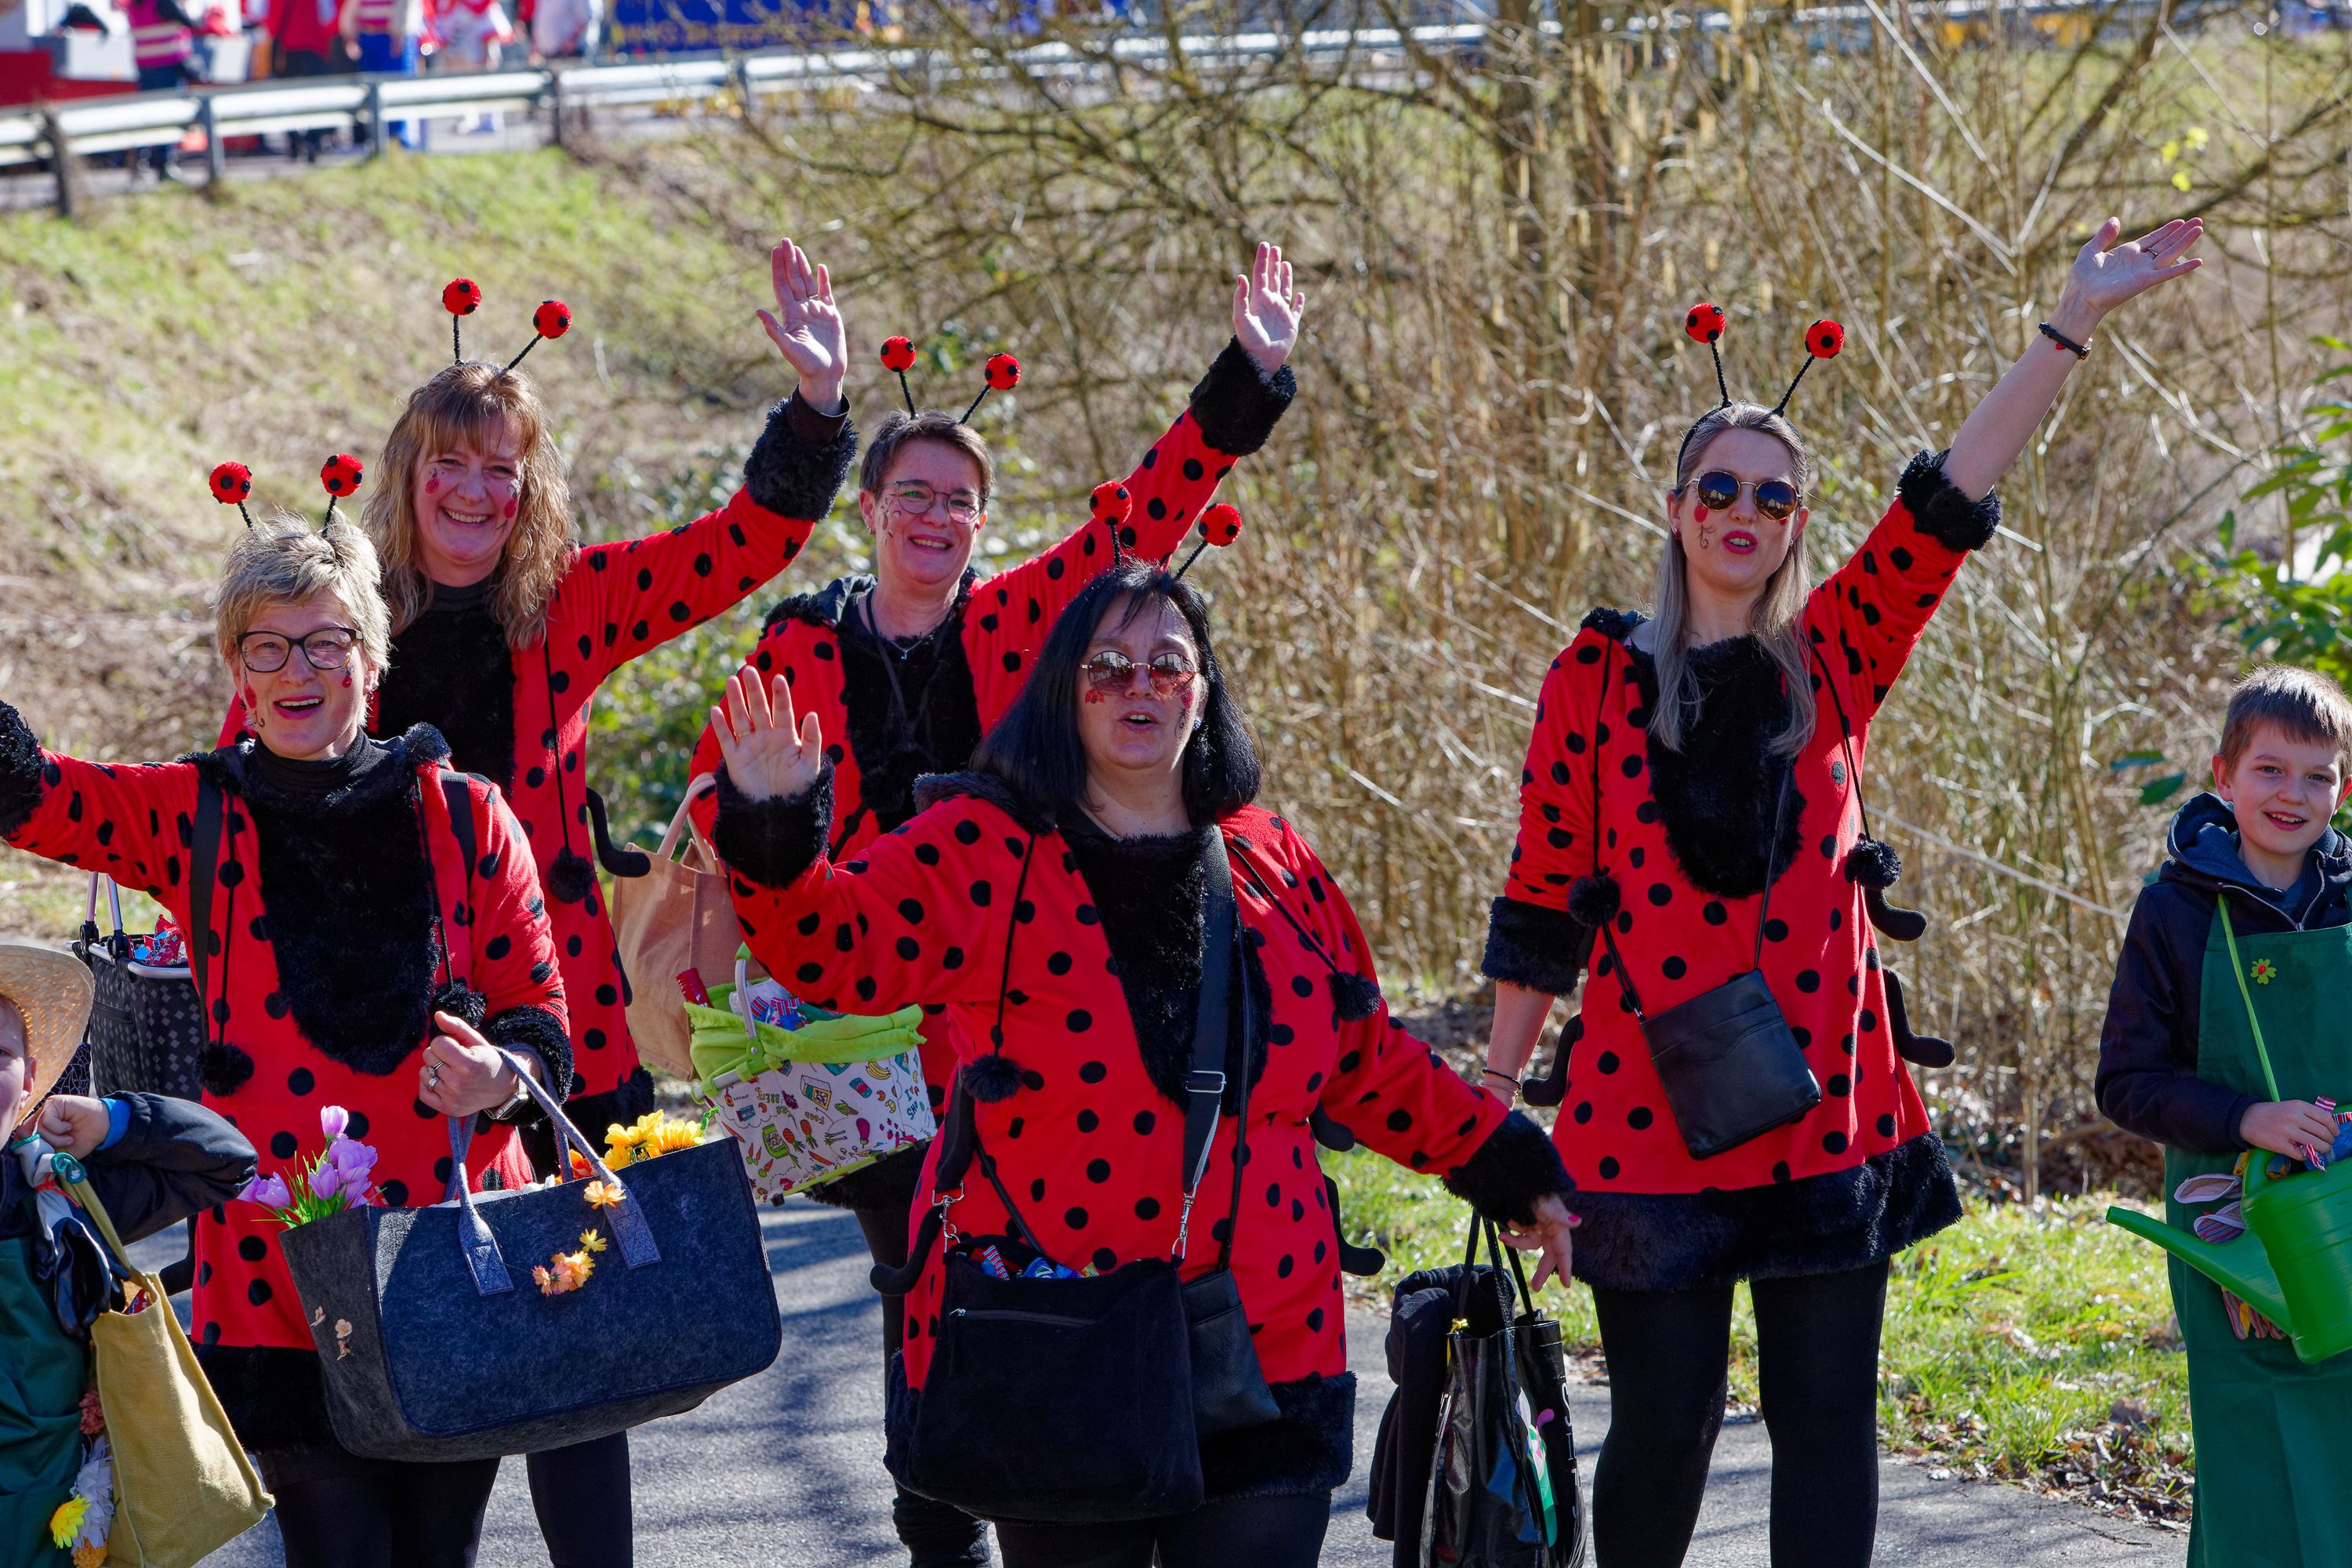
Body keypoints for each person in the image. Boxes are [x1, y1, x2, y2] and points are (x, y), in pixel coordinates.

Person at [1475, 214, 2205, 1568]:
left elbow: (1951, 496)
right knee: (1660, 1441)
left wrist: (2074, 320)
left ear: (1798, 523)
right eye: (1719, 489)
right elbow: (1540, 902)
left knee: (1827, 1432)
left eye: (1773, 496)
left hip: (1829, 1111)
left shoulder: (1838, 654)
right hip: (1642, 1118)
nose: (1744, 515)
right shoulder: (1592, 678)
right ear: (1676, 508)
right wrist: (1492, 1128)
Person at [706, 562, 1581, 1568]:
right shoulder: (981, 844)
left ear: (1203, 690)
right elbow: (834, 946)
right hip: (1058, 1332)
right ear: (1062, 691)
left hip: (1267, 1338)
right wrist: (774, 834)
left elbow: (1365, 1057)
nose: (1140, 686)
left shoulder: (1274, 862)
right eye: (1108, 667)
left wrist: (1510, 1160)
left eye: (1169, 664)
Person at [214, 240, 855, 1568]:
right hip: (367, 1054)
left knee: (582, 1340)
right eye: (449, 463)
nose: (473, 489)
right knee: (398, 1346)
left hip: (559, 1039)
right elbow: (245, 786)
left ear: (527, 489)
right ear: (408, 477)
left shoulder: (570, 602)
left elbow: (742, 548)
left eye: (500, 468)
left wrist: (815, 409)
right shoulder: (334, 625)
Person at [684, 241, 1302, 1568]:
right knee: (918, 1273)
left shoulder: (1028, 618)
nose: (935, 519)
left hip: (991, 1019)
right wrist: (756, 822)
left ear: (984, 525)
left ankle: (972, 1508)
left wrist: (1243, 380)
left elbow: (1142, 521)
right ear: (872, 514)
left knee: (948, 1268)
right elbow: (723, 788)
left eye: (961, 502)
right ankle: (945, 1520)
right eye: (912, 494)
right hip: (837, 1009)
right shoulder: (799, 641)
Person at [0, 514, 572, 1568]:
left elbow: (541, 1019)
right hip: (271, 1280)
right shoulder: (194, 811)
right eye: (267, 646)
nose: (296, 671)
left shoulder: (470, 816)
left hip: (452, 1257)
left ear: (370, 656)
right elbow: (40, 797)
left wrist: (501, 1076)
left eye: (324, 643)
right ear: (238, 668)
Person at [2097, 666, 2352, 1568]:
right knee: (2253, 1429)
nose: (2294, 794)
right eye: (2271, 770)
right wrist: (2246, 1115)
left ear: (2343, 787)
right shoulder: (2173, 910)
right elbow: (2126, 1081)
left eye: (2317, 774)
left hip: (2349, 1209)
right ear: (2224, 774)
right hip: (2230, 1211)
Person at [0, 943, 256, 1568]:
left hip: (52, 1536)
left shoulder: (63, 1201)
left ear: (31, 1079)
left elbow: (227, 1161)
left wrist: (115, 1120)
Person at [125, 0, 201, 178]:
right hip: (167, 66)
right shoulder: (163, 3)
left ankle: (140, 161)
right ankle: (165, 164)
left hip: (145, 67)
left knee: (147, 116)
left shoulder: (136, 4)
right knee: (169, 116)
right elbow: (191, 23)